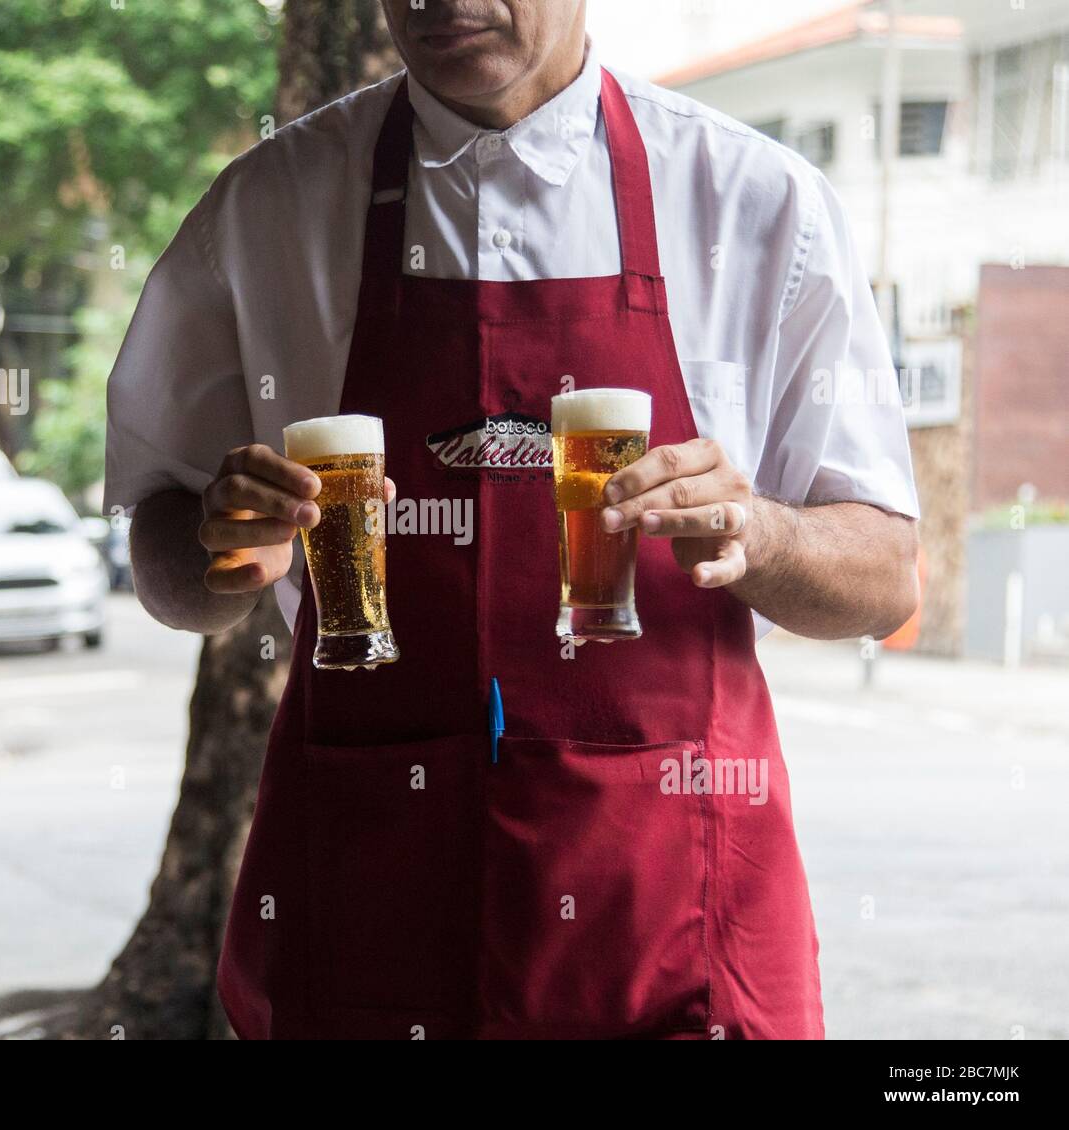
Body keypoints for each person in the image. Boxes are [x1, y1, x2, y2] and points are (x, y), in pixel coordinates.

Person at [104, 0, 920, 1039]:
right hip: (370, 900)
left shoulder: (754, 205)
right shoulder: (270, 208)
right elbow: (161, 553)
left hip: (672, 915)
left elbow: (886, 575)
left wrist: (759, 530)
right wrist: (216, 546)